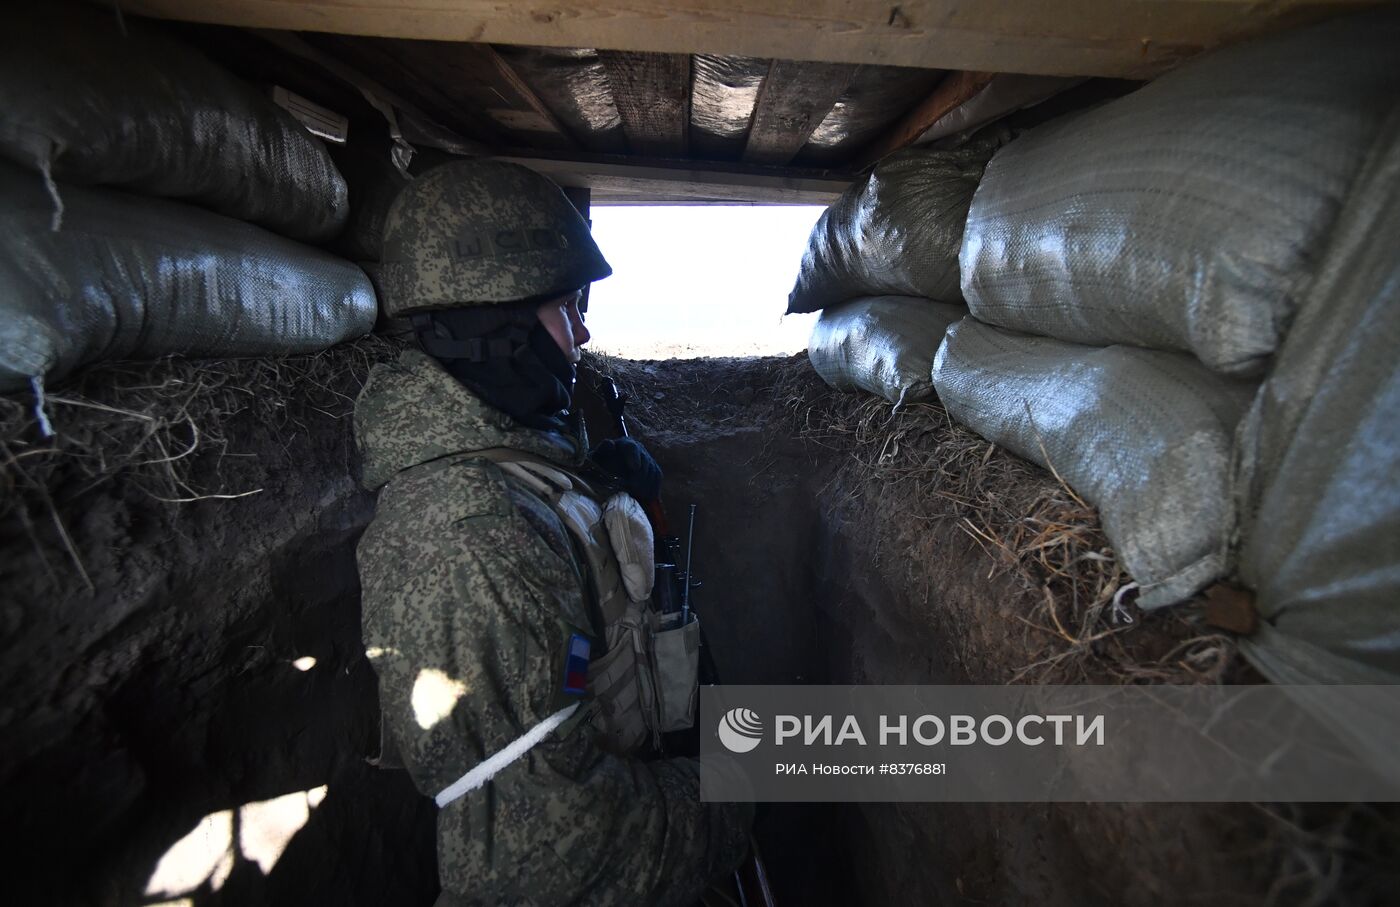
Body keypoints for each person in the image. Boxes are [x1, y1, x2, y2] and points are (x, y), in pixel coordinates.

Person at [352, 160, 751, 906]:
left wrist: (605, 491)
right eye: (567, 308)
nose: (583, 331)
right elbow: (547, 856)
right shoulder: (467, 540)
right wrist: (730, 793)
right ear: (493, 323)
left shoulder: (514, 472)